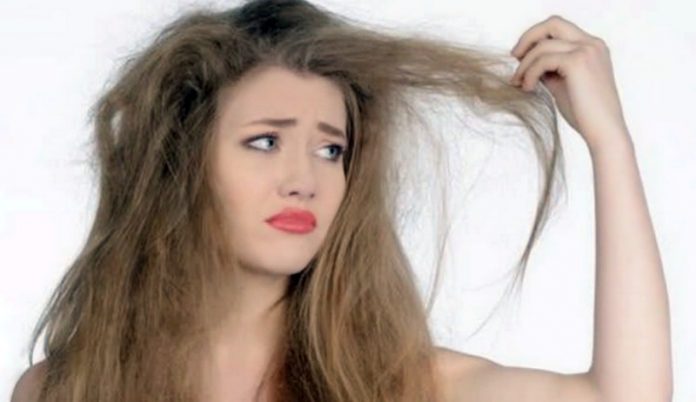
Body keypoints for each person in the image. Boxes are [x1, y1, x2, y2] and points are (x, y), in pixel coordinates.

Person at [11, 0, 672, 401]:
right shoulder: (66, 390)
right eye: (266, 141)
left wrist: (610, 144)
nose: (304, 178)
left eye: (331, 150)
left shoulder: (396, 385)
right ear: (182, 162)